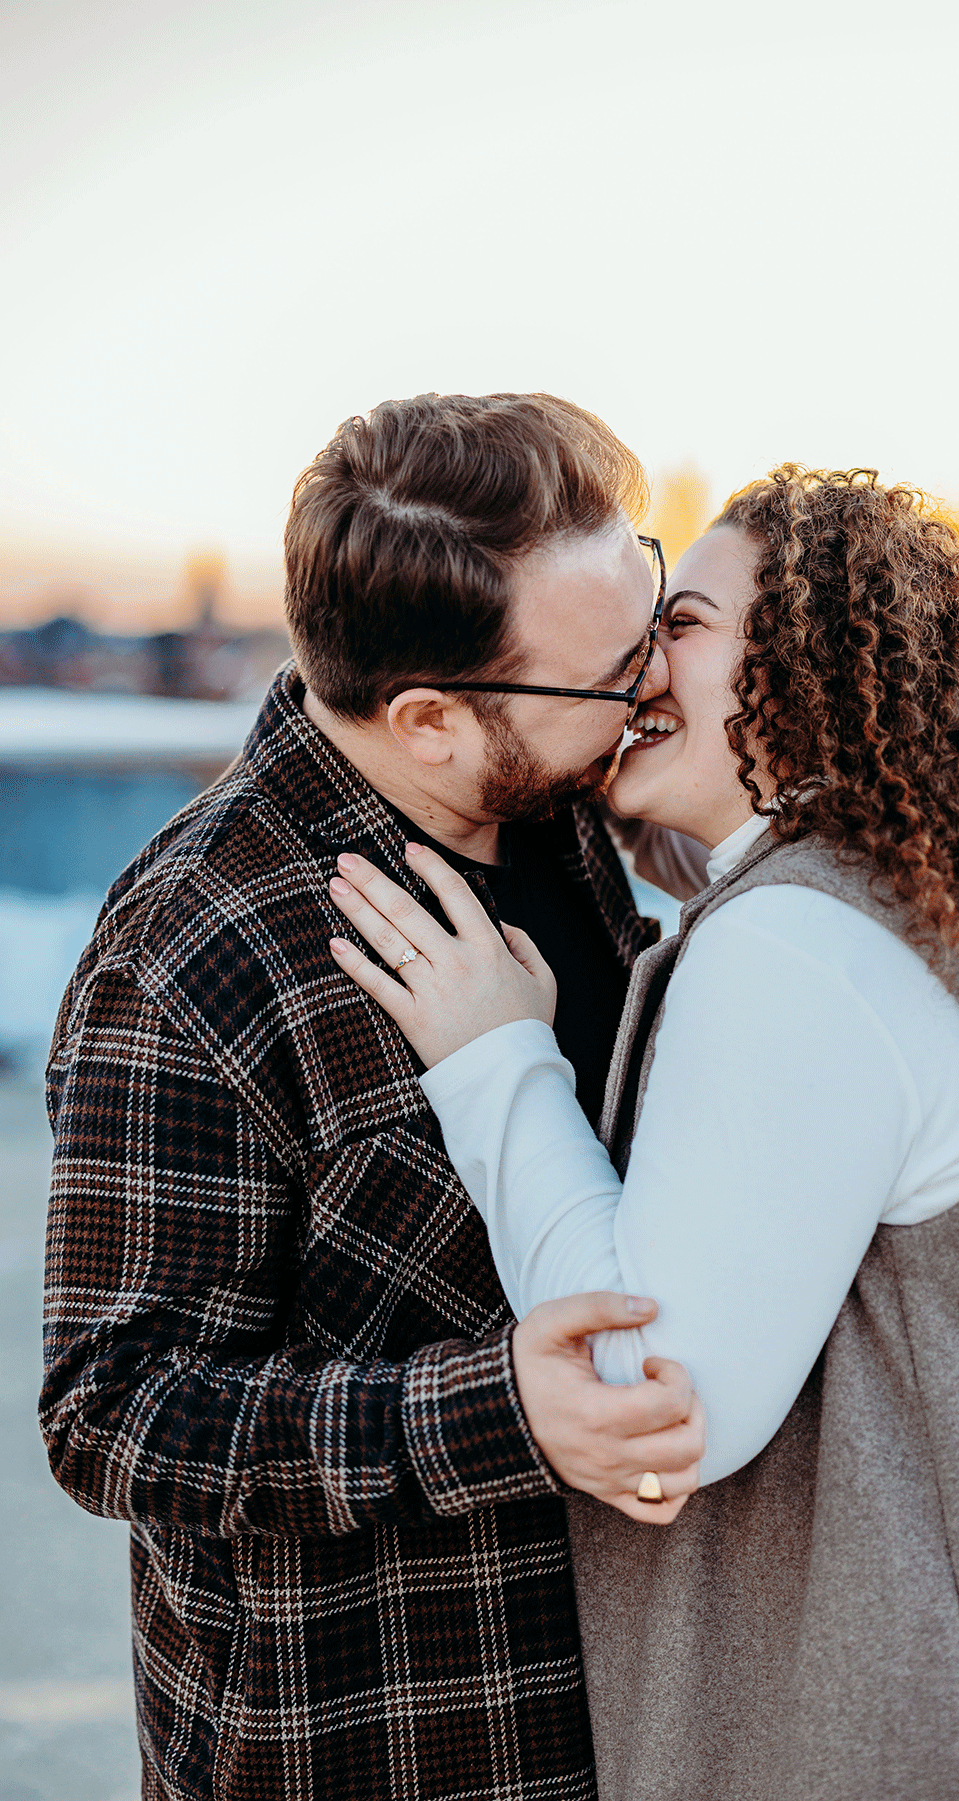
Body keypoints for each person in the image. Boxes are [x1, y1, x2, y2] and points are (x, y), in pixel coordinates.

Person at [329, 466, 959, 1800]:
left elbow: (654, 1402)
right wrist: (717, 857)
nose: (635, 670)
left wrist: (496, 1057)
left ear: (811, 666)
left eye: (680, 624)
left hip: (910, 1740)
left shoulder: (806, 947)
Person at [38, 392, 706, 1801]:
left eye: (649, 600)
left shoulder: (562, 802)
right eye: (610, 673)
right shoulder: (192, 959)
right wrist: (498, 1415)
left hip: (633, 1707)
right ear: (430, 720)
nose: (651, 683)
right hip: (377, 1736)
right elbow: (110, 1412)